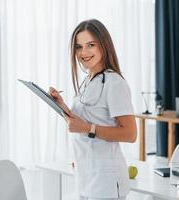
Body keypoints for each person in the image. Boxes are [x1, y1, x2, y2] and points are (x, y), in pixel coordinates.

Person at [49, 19, 137, 200]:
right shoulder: (89, 80)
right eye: (79, 47)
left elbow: (130, 134)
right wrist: (62, 105)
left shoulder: (114, 83)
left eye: (90, 45)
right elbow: (81, 120)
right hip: (85, 174)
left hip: (106, 181)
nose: (84, 52)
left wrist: (88, 129)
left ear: (104, 45)